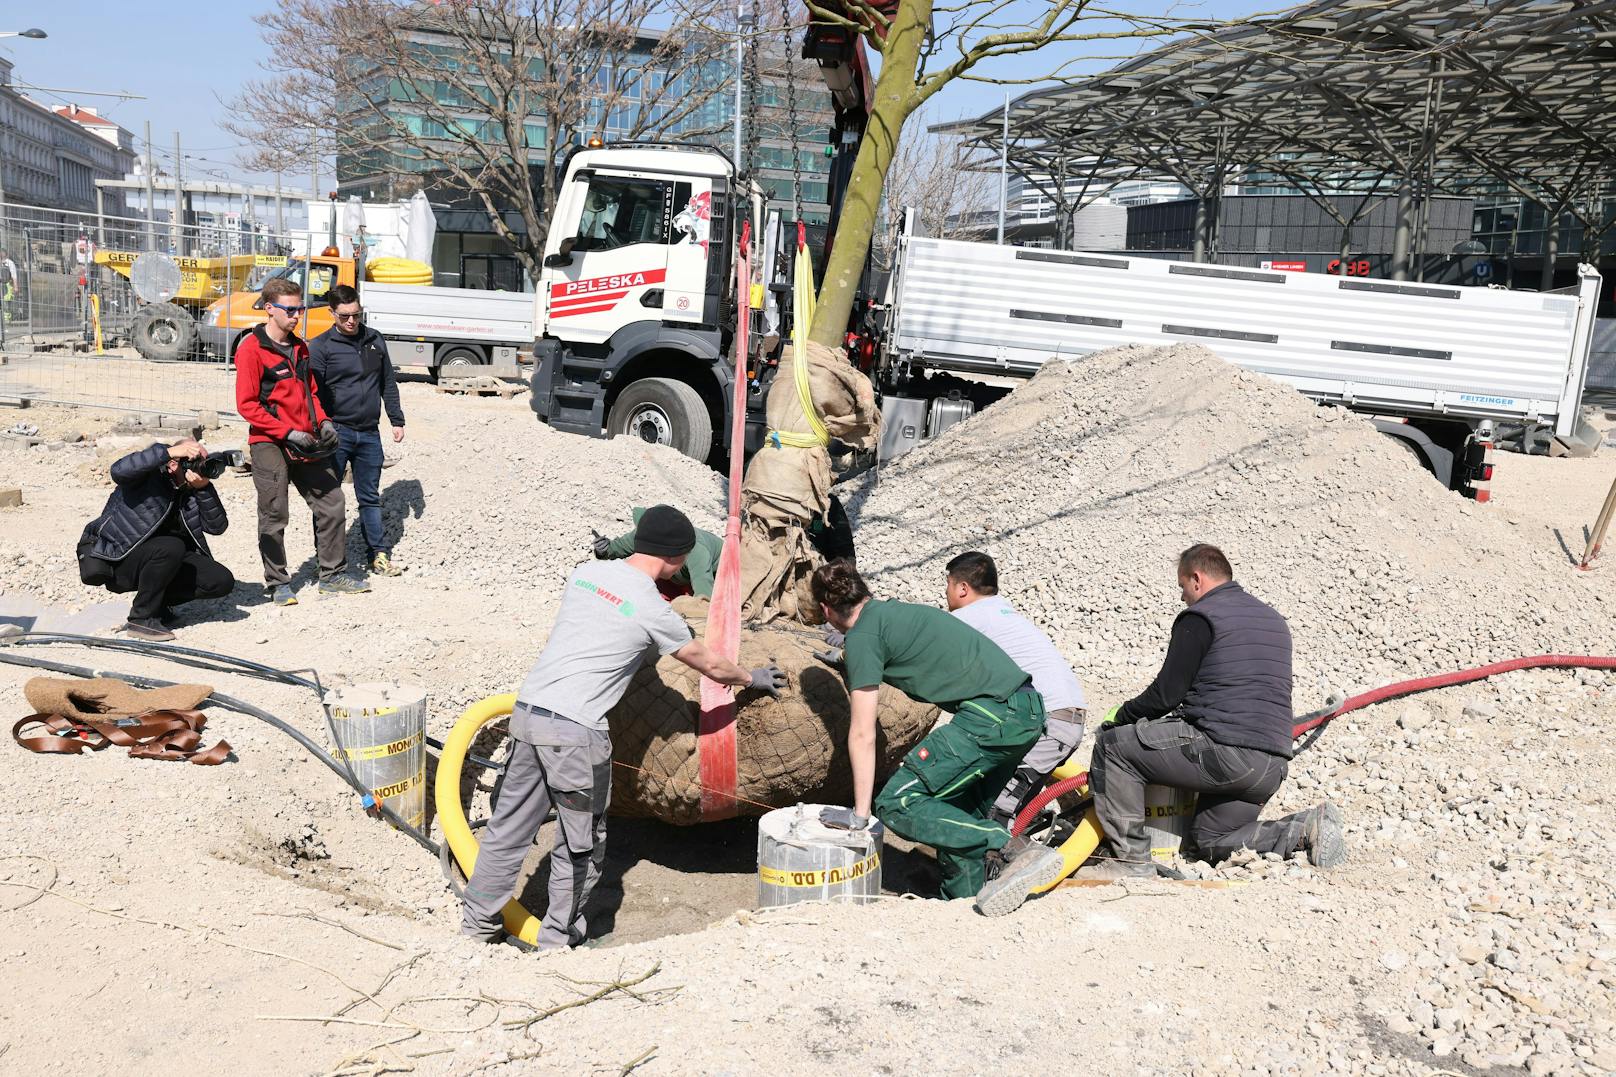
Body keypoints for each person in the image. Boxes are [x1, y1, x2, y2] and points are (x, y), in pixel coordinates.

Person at [462, 505, 786, 951]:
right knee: (580, 843)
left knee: (507, 829)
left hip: (528, 714)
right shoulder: (655, 611)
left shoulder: (583, 575)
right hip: (576, 736)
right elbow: (708, 663)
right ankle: (557, 941)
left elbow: (603, 627)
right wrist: (751, 677)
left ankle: (476, 927)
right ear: (676, 560)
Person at [809, 559, 1066, 918]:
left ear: (826, 609)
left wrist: (860, 814)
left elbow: (863, 732)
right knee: (956, 814)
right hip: (1027, 710)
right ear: (863, 591)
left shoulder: (864, 635)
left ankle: (1012, 849)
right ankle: (960, 909)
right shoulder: (892, 612)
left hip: (992, 716)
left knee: (897, 803)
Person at [1084, 544, 1344, 879]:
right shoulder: (1273, 619)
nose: (1182, 598)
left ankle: (1132, 862)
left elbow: (1165, 695)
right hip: (1272, 764)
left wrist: (1120, 717)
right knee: (1209, 841)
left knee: (1114, 747)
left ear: (1196, 578)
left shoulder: (1202, 616)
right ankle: (1302, 827)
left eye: (1182, 588)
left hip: (1224, 752)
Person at [234, 277, 365, 605]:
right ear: (269, 309)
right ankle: (278, 582)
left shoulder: (300, 347)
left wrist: (323, 421)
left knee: (332, 502)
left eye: (300, 309)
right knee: (275, 512)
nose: (296, 315)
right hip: (270, 442)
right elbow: (247, 405)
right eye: (290, 309)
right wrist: (285, 432)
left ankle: (332, 575)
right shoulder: (252, 348)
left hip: (306, 440)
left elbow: (311, 393)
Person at [944, 551, 1087, 827]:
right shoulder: (1002, 611)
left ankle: (996, 866)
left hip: (1050, 726)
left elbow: (923, 642)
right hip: (1066, 720)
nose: (946, 593)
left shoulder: (971, 616)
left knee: (996, 808)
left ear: (962, 588)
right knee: (1015, 807)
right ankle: (1016, 855)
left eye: (948, 585)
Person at [76, 439, 234, 641]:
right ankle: (142, 618)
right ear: (174, 463)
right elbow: (118, 470)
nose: (200, 466)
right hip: (119, 558)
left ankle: (157, 603)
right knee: (171, 546)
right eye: (194, 460)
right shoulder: (146, 477)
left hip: (162, 559)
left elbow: (217, 527)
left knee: (220, 580)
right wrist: (167, 451)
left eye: (202, 460)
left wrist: (204, 489)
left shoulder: (191, 488)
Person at [309, 284, 407, 577]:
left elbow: (387, 381)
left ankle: (377, 556)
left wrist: (396, 419)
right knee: (327, 498)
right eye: (344, 316)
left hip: (369, 434)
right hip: (335, 432)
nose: (351, 321)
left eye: (356, 314)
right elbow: (312, 393)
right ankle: (324, 559)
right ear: (331, 313)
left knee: (370, 497)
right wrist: (319, 429)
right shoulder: (321, 346)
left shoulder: (374, 340)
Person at [591, 507, 723, 598]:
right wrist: (602, 549)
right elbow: (614, 550)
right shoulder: (645, 535)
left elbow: (704, 598)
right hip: (674, 577)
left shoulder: (696, 552)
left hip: (716, 576)